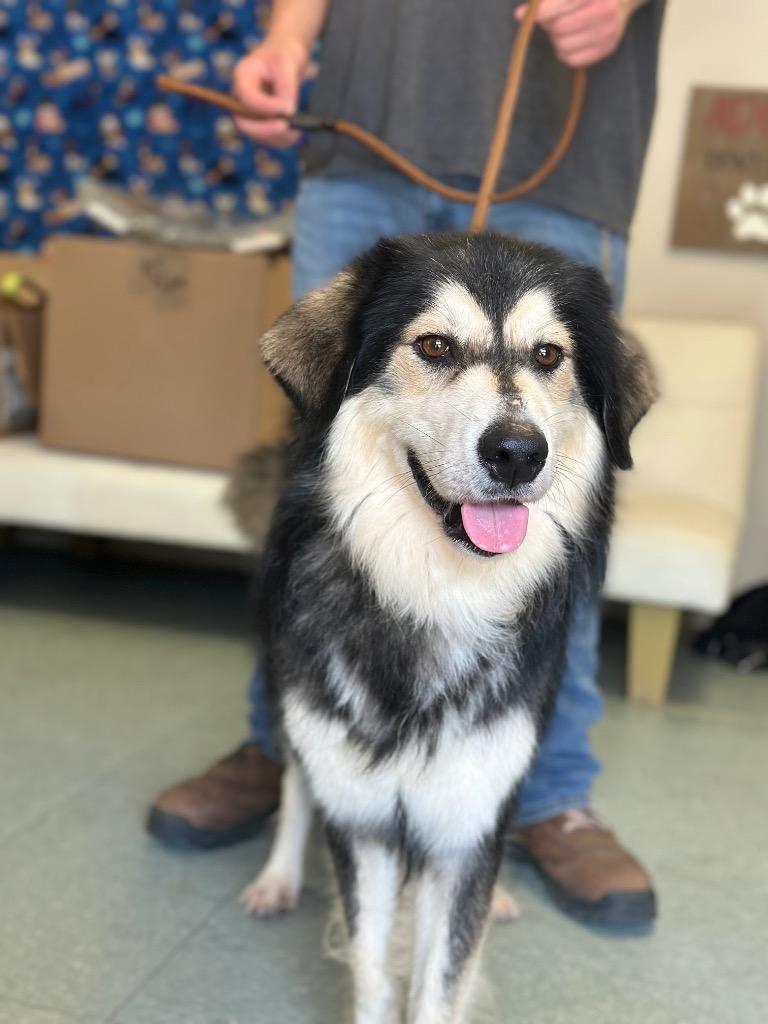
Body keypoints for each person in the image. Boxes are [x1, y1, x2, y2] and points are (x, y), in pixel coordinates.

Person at [148, 0, 666, 928]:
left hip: (565, 137)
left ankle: (542, 793)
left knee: (556, 507)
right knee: (326, 477)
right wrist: (287, 38)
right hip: (362, 132)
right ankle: (290, 746)